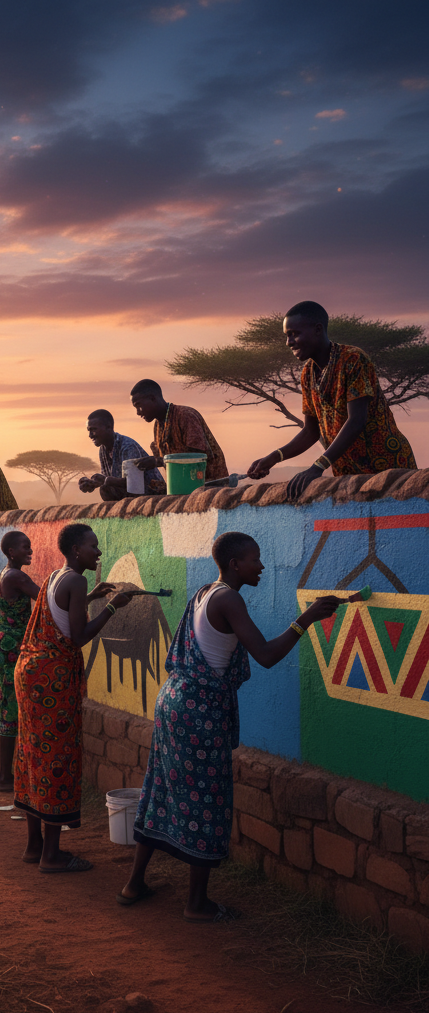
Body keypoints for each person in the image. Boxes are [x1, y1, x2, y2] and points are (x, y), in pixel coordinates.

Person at [118, 532, 342, 921]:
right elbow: (267, 655)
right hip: (198, 711)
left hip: (174, 700)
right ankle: (197, 904)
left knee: (161, 790)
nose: (261, 566)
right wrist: (307, 619)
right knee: (205, 799)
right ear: (235, 564)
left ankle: (134, 883)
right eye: (255, 559)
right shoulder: (228, 598)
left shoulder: (207, 591)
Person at [14, 523, 131, 872]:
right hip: (53, 680)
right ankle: (52, 855)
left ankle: (34, 847)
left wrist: (92, 599)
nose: (98, 552)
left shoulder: (56, 576)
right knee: (57, 758)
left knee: (33, 754)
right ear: (76, 550)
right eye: (92, 546)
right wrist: (112, 607)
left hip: (31, 673)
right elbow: (78, 636)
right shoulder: (77, 580)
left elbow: (61, 613)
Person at [246, 301, 416, 501]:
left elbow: (356, 421)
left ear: (318, 329)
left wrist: (318, 467)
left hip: (386, 467)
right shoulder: (308, 373)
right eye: (287, 336)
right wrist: (273, 458)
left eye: (294, 333)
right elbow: (311, 431)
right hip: (348, 473)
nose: (289, 342)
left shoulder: (353, 359)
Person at [0, 531, 39, 792]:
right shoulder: (16, 576)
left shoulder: (5, 573)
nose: (29, 550)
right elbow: (46, 601)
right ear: (10, 552)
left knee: (2, 706)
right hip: (11, 647)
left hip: (1, 644)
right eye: (24, 547)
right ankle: (5, 777)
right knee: (9, 709)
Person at [129, 381, 228, 491]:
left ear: (152, 398)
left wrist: (157, 461)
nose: (138, 412)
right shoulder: (158, 425)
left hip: (211, 486)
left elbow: (196, 459)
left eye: (139, 406)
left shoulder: (186, 416)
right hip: (183, 488)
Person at [78, 409, 163, 500]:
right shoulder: (103, 449)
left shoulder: (127, 447)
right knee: (105, 489)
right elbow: (111, 480)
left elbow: (134, 484)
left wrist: (105, 480)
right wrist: (93, 483)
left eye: (93, 430)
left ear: (109, 427)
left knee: (106, 487)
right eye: (89, 430)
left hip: (151, 491)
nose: (90, 435)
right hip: (130, 492)